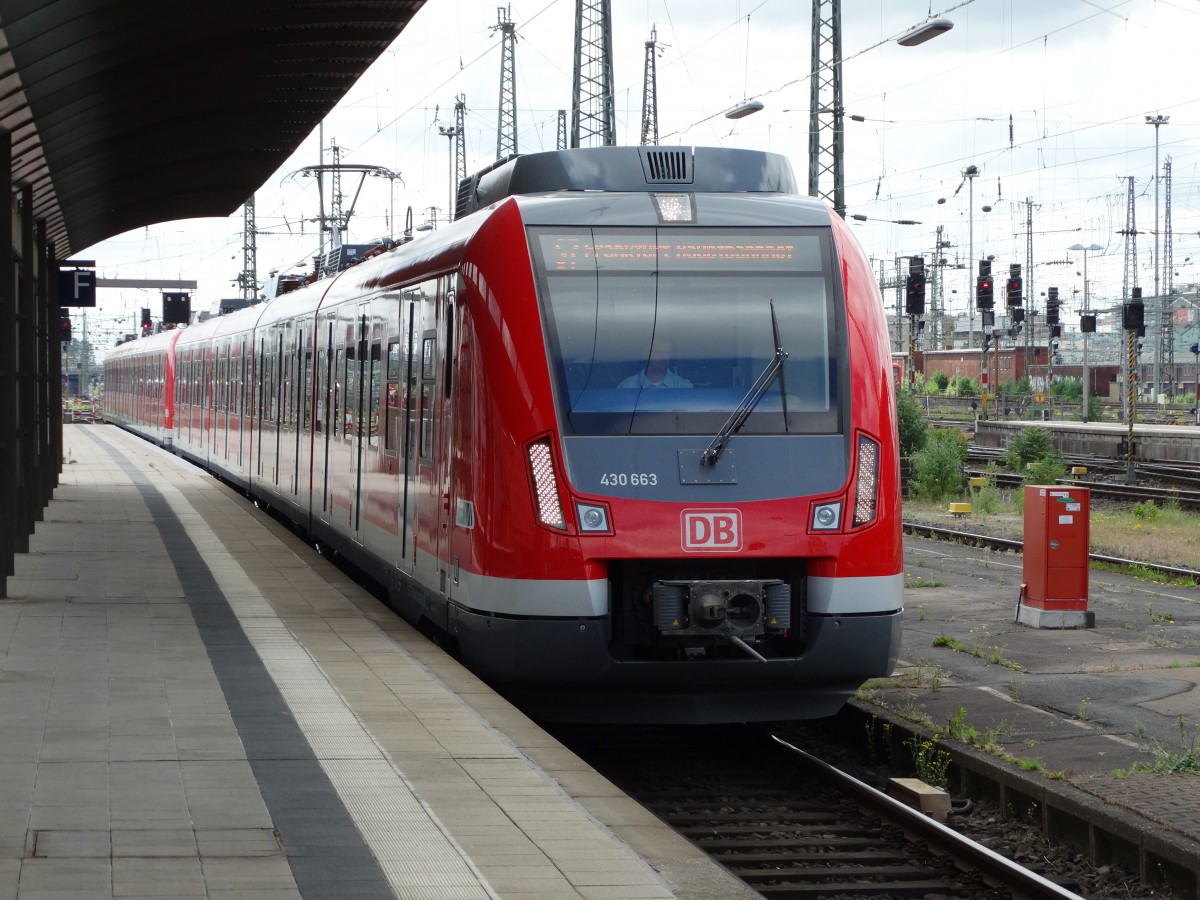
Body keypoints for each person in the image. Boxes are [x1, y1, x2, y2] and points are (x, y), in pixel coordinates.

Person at [618, 340, 692, 388]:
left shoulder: (683, 386)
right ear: (645, 355)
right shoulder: (627, 386)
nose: (663, 357)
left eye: (666, 353)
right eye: (658, 352)